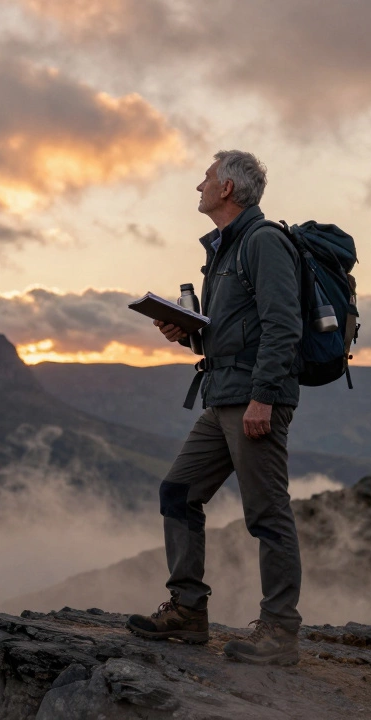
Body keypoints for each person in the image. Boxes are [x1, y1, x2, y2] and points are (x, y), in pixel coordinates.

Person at [125, 150, 304, 666]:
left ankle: (279, 633)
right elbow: (226, 338)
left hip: (253, 400)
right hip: (223, 394)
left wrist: (264, 398)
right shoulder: (225, 250)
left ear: (227, 188)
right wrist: (186, 334)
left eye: (205, 179)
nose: (197, 187)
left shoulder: (263, 242)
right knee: (178, 492)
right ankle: (187, 609)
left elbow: (283, 327)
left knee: (267, 514)